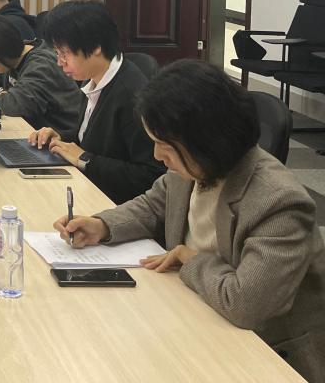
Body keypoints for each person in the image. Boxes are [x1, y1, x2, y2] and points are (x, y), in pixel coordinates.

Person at [55, 61, 325, 382]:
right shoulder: (193, 165)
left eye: (164, 146)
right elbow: (154, 205)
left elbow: (245, 304)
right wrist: (102, 225)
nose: (157, 156)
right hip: (197, 309)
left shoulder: (278, 202)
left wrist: (190, 259)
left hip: (263, 351)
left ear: (207, 141)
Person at [29, 0, 163, 204]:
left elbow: (151, 176)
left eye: (65, 54)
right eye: (57, 53)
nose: (59, 62)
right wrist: (61, 138)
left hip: (113, 204)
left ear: (95, 47)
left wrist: (86, 160)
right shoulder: (93, 79)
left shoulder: (132, 96)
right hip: (87, 188)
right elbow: (93, 141)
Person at [0, 14, 83, 138]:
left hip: (61, 138)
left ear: (1, 51)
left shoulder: (41, 65)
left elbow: (15, 106)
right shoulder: (15, 55)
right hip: (37, 133)